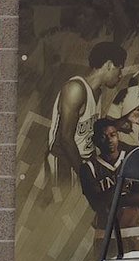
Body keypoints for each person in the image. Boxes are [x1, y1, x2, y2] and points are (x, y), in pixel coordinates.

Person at [47, 41, 127, 200]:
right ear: (109, 65)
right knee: (57, 216)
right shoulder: (75, 88)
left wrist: (122, 122)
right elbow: (65, 139)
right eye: (120, 68)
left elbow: (90, 131)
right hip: (64, 161)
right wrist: (86, 176)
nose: (120, 75)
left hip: (82, 162)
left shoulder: (97, 92)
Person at [80, 117, 139, 253]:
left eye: (113, 135)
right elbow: (97, 205)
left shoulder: (132, 160)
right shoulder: (88, 168)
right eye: (103, 137)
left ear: (118, 136)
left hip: (133, 232)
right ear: (95, 141)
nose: (109, 140)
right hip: (106, 235)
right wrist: (120, 185)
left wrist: (109, 200)